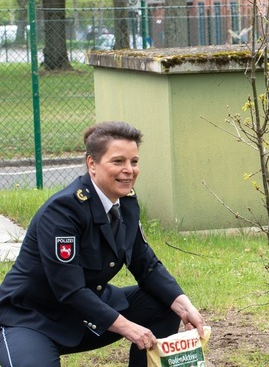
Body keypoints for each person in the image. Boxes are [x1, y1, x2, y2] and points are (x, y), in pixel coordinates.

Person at [0, 121, 205, 367]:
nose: (129, 170)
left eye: (134, 162)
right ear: (92, 164)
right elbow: (69, 290)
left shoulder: (126, 203)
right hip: (32, 318)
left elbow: (145, 263)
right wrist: (128, 327)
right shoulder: (63, 211)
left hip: (85, 311)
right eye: (118, 161)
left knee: (164, 303)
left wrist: (184, 306)